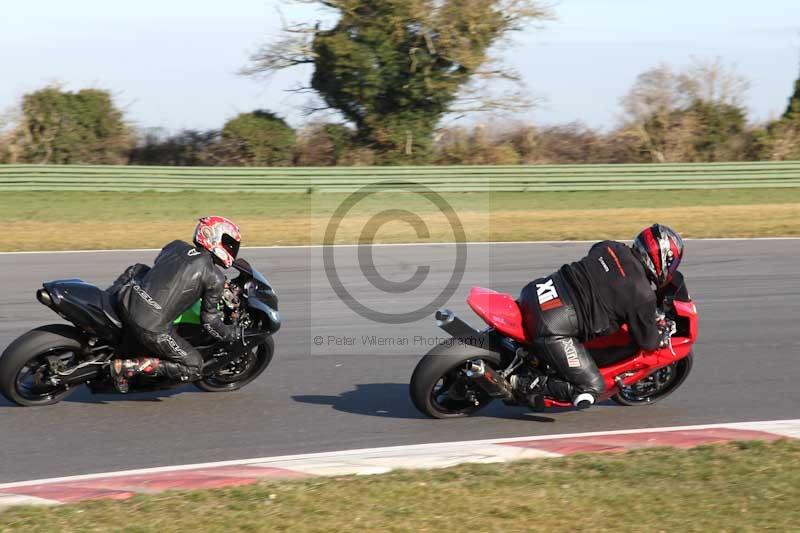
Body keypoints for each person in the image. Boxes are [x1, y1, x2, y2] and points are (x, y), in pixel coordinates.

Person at [516, 224, 685, 409]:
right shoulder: (643, 295)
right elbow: (648, 342)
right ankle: (525, 383)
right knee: (592, 388)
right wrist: (662, 333)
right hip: (552, 324)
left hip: (535, 292)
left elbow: (602, 267)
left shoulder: (610, 247)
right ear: (662, 259)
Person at [107, 216, 242, 393]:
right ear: (214, 237)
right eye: (229, 244)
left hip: (126, 300)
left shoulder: (175, 246)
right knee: (194, 366)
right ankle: (127, 367)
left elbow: (162, 270)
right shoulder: (214, 277)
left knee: (141, 269)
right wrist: (231, 334)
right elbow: (209, 322)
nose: (231, 249)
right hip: (151, 327)